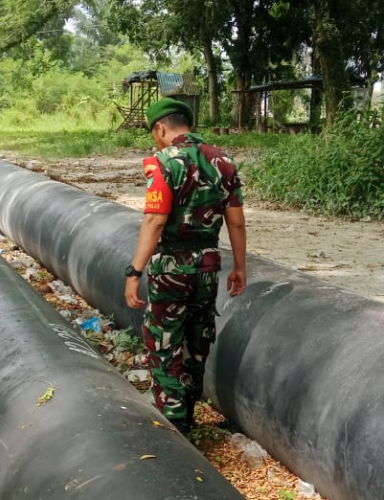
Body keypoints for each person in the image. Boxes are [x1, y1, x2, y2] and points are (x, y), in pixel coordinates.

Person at [124, 98, 246, 434]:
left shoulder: (164, 162)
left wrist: (134, 272)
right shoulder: (224, 162)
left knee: (165, 344)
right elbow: (236, 222)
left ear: (160, 128)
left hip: (171, 270)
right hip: (207, 268)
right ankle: (187, 414)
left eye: (154, 135)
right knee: (196, 342)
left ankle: (174, 427)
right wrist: (240, 267)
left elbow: (155, 222)